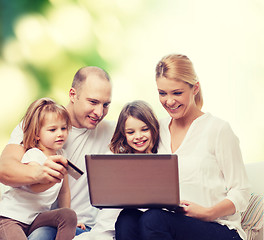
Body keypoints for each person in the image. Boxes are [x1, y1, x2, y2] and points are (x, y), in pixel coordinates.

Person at [115, 54, 251, 240]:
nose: (169, 101)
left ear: (194, 88)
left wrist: (208, 212)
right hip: (170, 223)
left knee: (153, 219)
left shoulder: (218, 129)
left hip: (218, 228)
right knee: (127, 218)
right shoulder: (157, 129)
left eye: (177, 93)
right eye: (162, 93)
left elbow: (242, 191)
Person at [0, 66, 115, 239]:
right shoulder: (38, 123)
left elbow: (146, 127)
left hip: (83, 226)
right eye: (93, 102)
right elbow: (5, 169)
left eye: (106, 105)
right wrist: (39, 173)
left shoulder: (114, 131)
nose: (99, 112)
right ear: (73, 95)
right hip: (35, 223)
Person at [73, 100, 160, 240]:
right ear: (124, 134)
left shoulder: (161, 159)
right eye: (131, 132)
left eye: (144, 129)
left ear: (153, 128)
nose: (138, 136)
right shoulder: (114, 158)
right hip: (108, 227)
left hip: (140, 226)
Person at [0, 97, 77, 240]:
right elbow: (35, 187)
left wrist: (69, 215)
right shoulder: (33, 154)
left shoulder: (61, 155)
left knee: (69, 215)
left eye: (64, 128)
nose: (60, 133)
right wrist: (54, 177)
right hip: (11, 218)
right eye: (53, 129)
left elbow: (64, 191)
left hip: (34, 219)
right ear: (37, 134)